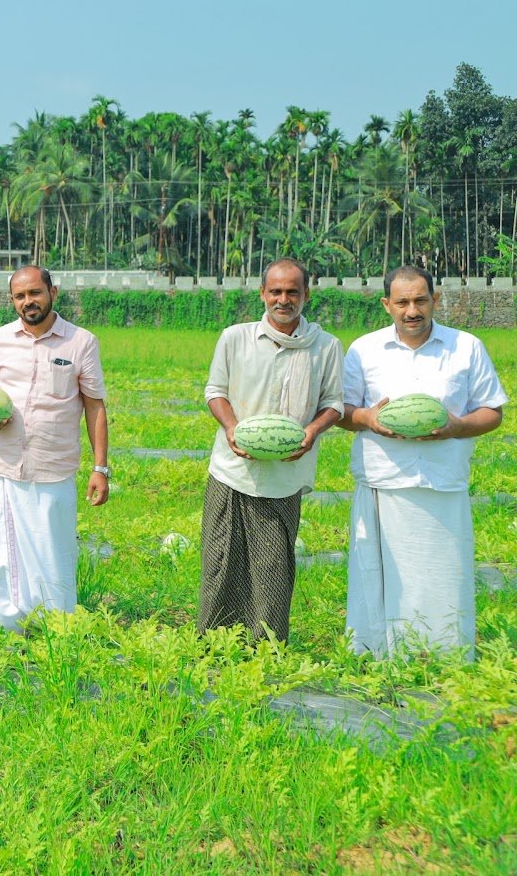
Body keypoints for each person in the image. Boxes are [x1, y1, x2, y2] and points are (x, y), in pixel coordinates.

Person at [339, 265, 506, 658]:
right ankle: (377, 652)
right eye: (402, 302)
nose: (412, 310)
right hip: (383, 482)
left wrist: (457, 426)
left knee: (442, 575)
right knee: (381, 575)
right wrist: (368, 418)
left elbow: (492, 411)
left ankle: (445, 654)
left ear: (436, 299)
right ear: (387, 305)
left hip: (442, 481)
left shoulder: (466, 347)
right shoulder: (364, 349)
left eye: (420, 300)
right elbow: (341, 410)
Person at [199, 258, 343, 643]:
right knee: (220, 560)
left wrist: (312, 431)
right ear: (262, 293)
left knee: (274, 567)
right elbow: (215, 391)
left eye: (292, 292)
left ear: (306, 295)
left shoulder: (326, 346)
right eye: (275, 291)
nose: (283, 299)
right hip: (232, 470)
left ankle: (266, 647)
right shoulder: (235, 338)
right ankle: (215, 643)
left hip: (285, 476)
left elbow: (334, 403)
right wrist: (232, 427)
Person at [0, 265, 109, 631]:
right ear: (12, 300)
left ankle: (57, 626)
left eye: (34, 292)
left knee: (54, 550)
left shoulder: (81, 342)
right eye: (19, 296)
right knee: (2, 551)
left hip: (54, 465)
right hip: (4, 464)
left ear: (53, 292)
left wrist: (100, 468)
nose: (28, 302)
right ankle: (8, 623)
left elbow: (95, 406)